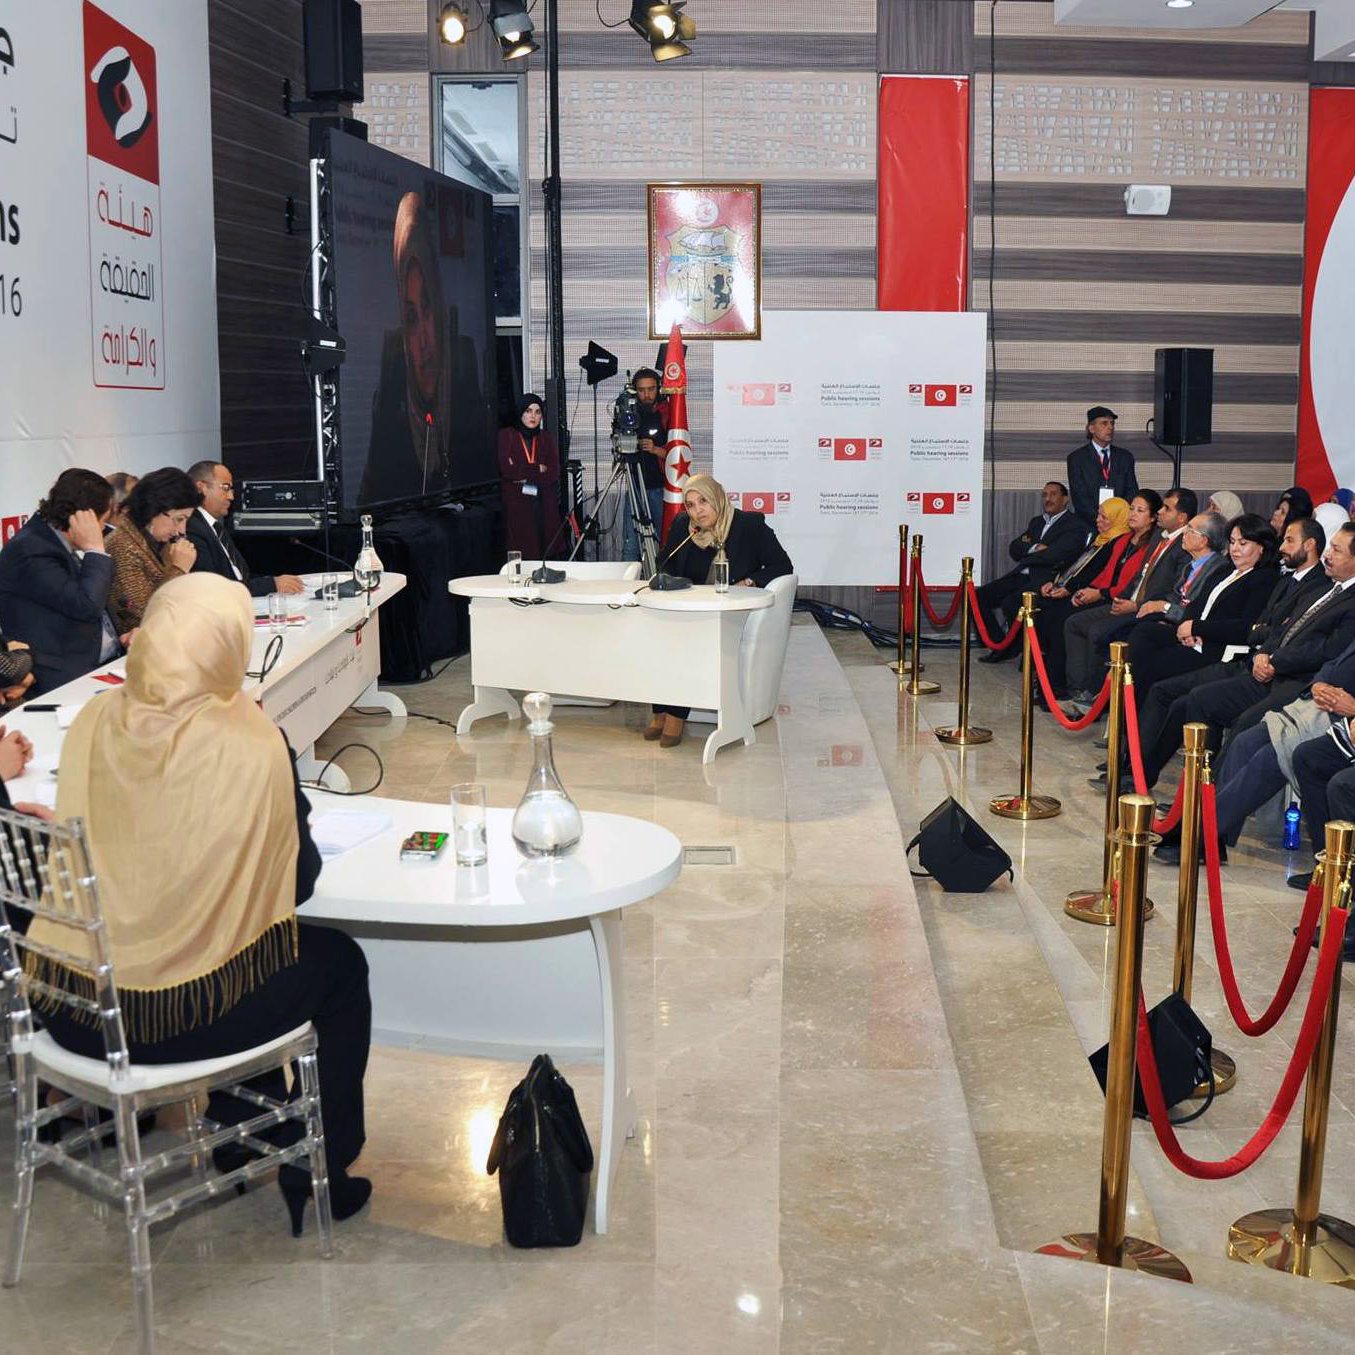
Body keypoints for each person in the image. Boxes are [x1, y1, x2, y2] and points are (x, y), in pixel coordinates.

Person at [27, 574, 372, 1232]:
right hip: (178, 1020)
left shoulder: (95, 721)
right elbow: (295, 885)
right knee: (329, 961)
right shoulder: (248, 740)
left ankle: (241, 1131)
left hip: (77, 1010)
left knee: (239, 944)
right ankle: (318, 1167)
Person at [1134, 522, 1355, 789]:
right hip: (1258, 663)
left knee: (1237, 723)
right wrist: (1265, 653)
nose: (1327, 554)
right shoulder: (1321, 588)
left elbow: (1323, 649)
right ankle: (1164, 785)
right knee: (1190, 696)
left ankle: (1205, 803)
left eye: (1336, 549)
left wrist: (1272, 658)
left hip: (1291, 680)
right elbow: (1279, 629)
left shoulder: (1318, 585)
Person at [645, 473, 792, 748]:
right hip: (692, 610)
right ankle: (660, 712)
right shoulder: (684, 527)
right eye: (690, 504)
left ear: (717, 498)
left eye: (703, 501)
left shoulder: (749, 525)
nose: (698, 510)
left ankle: (676, 716)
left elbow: (783, 565)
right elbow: (667, 565)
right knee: (661, 634)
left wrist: (750, 581)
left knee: (686, 641)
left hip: (731, 614)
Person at [359, 191, 487, 506]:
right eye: (412, 317)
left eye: (428, 309)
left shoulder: (464, 391)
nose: (425, 339)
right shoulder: (391, 406)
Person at [0, 469, 124, 694]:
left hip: (98, 659)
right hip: (59, 674)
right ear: (82, 518)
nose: (104, 530)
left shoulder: (50, 541)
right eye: (103, 522)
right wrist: (95, 549)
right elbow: (86, 606)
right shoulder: (30, 550)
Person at [1059, 490, 1162, 711]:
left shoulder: (1153, 544)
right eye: (1132, 509)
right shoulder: (1123, 540)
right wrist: (1090, 590)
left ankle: (1094, 695)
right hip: (1111, 596)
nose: (1133, 514)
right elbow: (1107, 573)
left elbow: (1132, 583)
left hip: (1127, 601)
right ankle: (1077, 688)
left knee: (1096, 629)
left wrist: (1102, 594)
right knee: (1073, 623)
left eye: (1140, 510)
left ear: (1153, 517)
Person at [1027, 497, 1132, 694]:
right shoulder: (1100, 539)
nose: (1098, 520)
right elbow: (1075, 566)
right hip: (1077, 589)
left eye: (1104, 517)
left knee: (1058, 617)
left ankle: (1056, 686)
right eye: (1098, 515)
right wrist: (1057, 582)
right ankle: (1043, 679)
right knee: (1042, 608)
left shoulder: (1117, 543)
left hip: (1099, 596)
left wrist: (1070, 589)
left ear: (1119, 519)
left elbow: (1095, 575)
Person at [974, 481, 1087, 659]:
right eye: (1044, 495)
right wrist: (1035, 548)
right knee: (979, 596)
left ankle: (1016, 648)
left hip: (1045, 579)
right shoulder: (1036, 522)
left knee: (1011, 603)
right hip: (1022, 574)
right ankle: (1000, 644)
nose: (1047, 499)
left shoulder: (1074, 525)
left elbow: (1056, 554)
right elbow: (1014, 547)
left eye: (1053, 494)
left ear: (1065, 499)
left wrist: (1029, 551)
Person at [185, 461, 304, 597]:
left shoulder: (215, 528)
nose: (231, 497)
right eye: (225, 488)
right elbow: (215, 586)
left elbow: (240, 576)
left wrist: (274, 581)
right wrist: (271, 584)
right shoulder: (192, 528)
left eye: (232, 490)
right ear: (201, 487)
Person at [105, 468, 201, 635]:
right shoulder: (121, 546)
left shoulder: (158, 541)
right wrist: (179, 570)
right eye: (179, 519)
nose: (182, 530)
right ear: (153, 509)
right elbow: (140, 618)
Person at [497, 394, 564, 559]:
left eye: (537, 412)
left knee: (546, 556)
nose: (533, 416)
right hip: (518, 507)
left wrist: (524, 473)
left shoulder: (546, 438)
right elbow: (507, 470)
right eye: (528, 411)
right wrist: (537, 468)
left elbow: (553, 473)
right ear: (520, 413)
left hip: (543, 505)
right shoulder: (507, 435)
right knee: (522, 557)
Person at [622, 368, 667, 563]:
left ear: (658, 389)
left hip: (659, 488)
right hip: (634, 486)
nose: (646, 395)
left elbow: (679, 454)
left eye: (651, 389)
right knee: (631, 545)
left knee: (665, 542)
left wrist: (655, 449)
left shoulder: (667, 412)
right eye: (641, 390)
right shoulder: (628, 413)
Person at [1066, 405, 1137, 526]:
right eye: (1104, 423)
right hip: (1088, 523)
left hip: (1119, 523)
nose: (1110, 427)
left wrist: (1117, 518)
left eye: (1112, 423)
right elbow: (1080, 497)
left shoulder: (1125, 457)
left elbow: (1132, 491)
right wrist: (1101, 519)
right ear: (1091, 428)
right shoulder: (1077, 458)